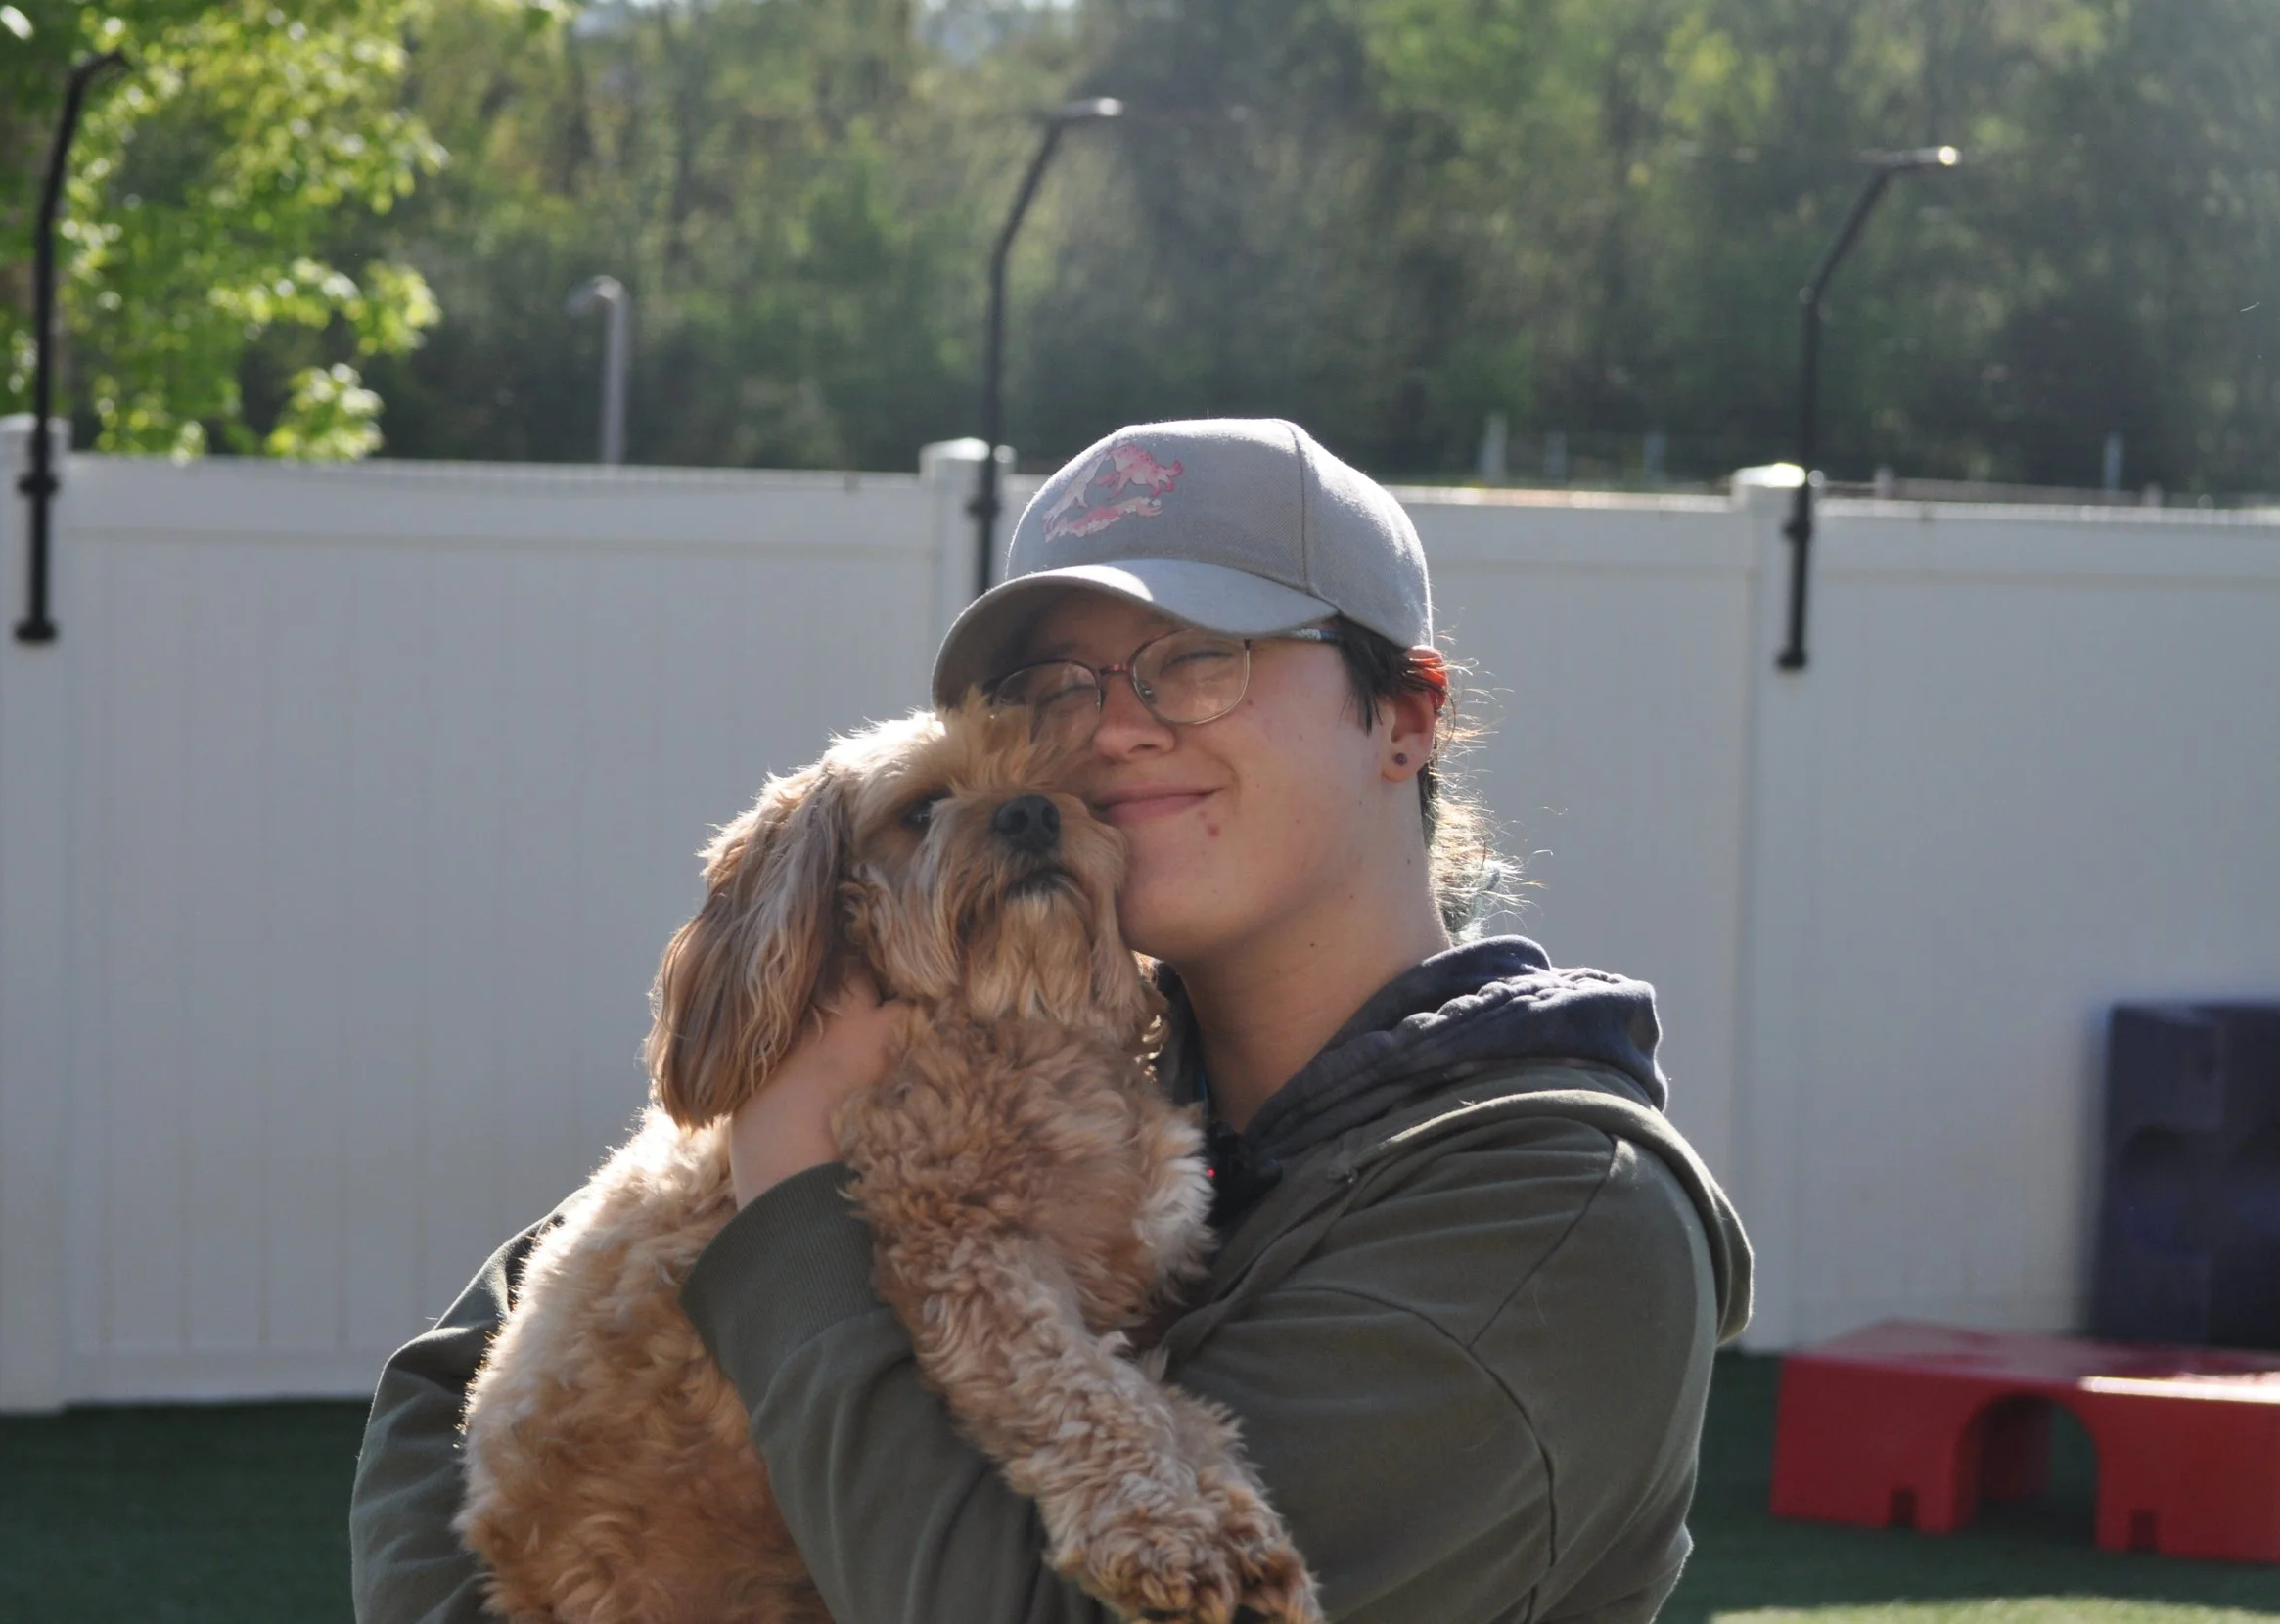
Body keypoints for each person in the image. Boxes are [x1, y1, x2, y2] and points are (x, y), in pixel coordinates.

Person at [349, 417, 1752, 1624]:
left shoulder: (1559, 1221)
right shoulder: (1030, 1055)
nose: (1112, 731)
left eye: (1199, 659)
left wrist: (794, 1205)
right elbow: (441, 1390)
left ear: (1407, 716)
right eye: (1056, 689)